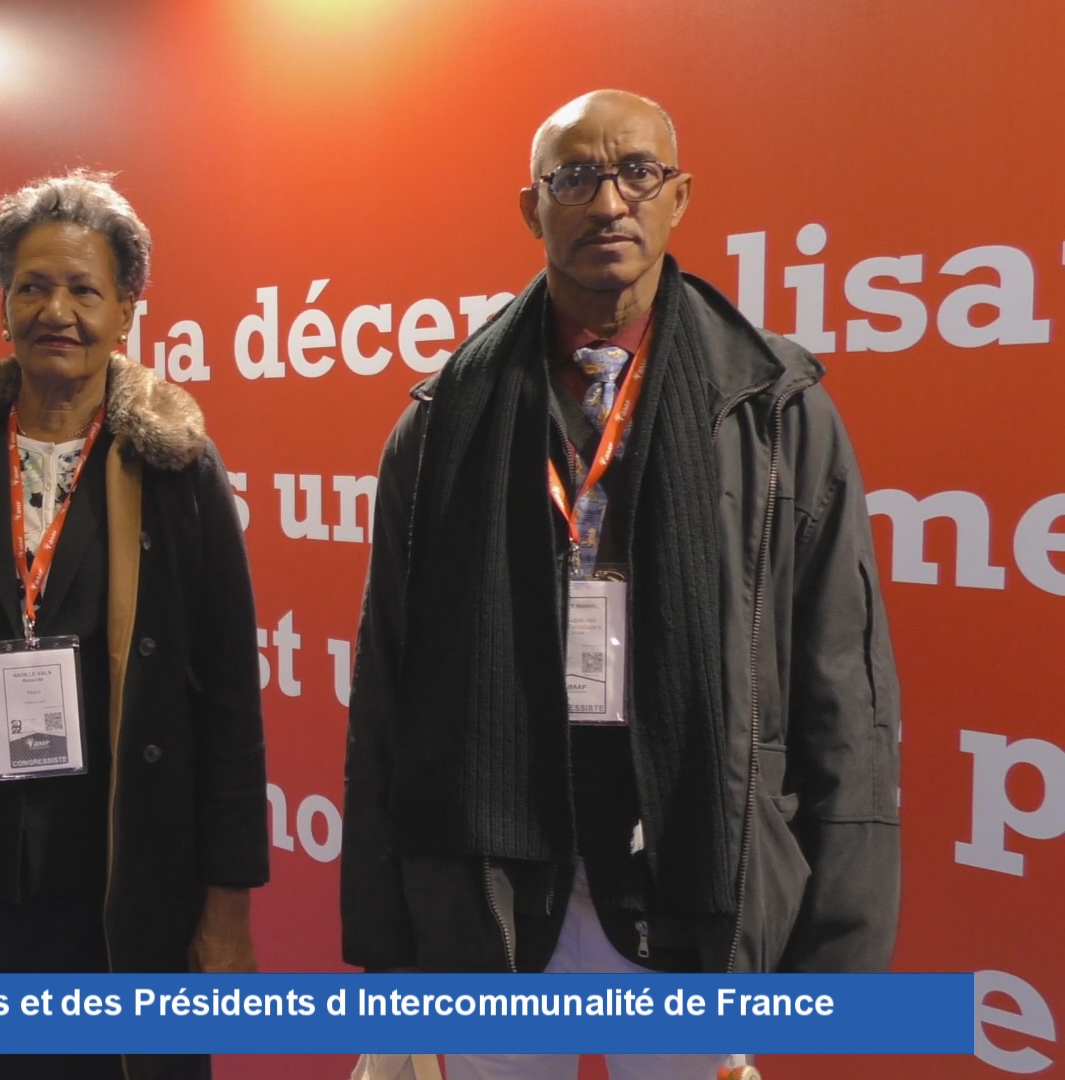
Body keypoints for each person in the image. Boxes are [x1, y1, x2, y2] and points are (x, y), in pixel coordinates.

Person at [340, 91, 901, 1080]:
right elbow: (390, 691)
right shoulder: (439, 426)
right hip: (499, 895)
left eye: (637, 172)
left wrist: (837, 954)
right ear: (531, 207)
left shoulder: (773, 414)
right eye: (577, 177)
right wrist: (393, 953)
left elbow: (842, 690)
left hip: (692, 883)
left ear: (680, 197)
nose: (610, 202)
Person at [0, 170, 268, 1080]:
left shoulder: (177, 465)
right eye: (33, 286)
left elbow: (230, 703)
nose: (58, 310)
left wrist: (227, 901)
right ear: (4, 302)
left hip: (122, 884)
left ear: (127, 310)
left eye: (85, 289)